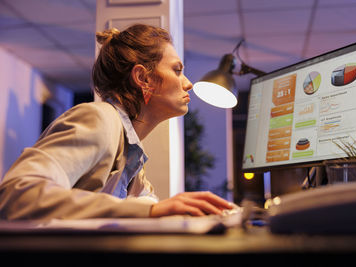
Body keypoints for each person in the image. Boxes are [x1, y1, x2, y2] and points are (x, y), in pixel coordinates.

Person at [0, 24, 232, 220]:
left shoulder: (132, 156)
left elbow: (145, 209)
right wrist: (150, 210)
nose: (188, 83)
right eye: (177, 70)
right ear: (143, 78)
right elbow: (17, 194)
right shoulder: (99, 119)